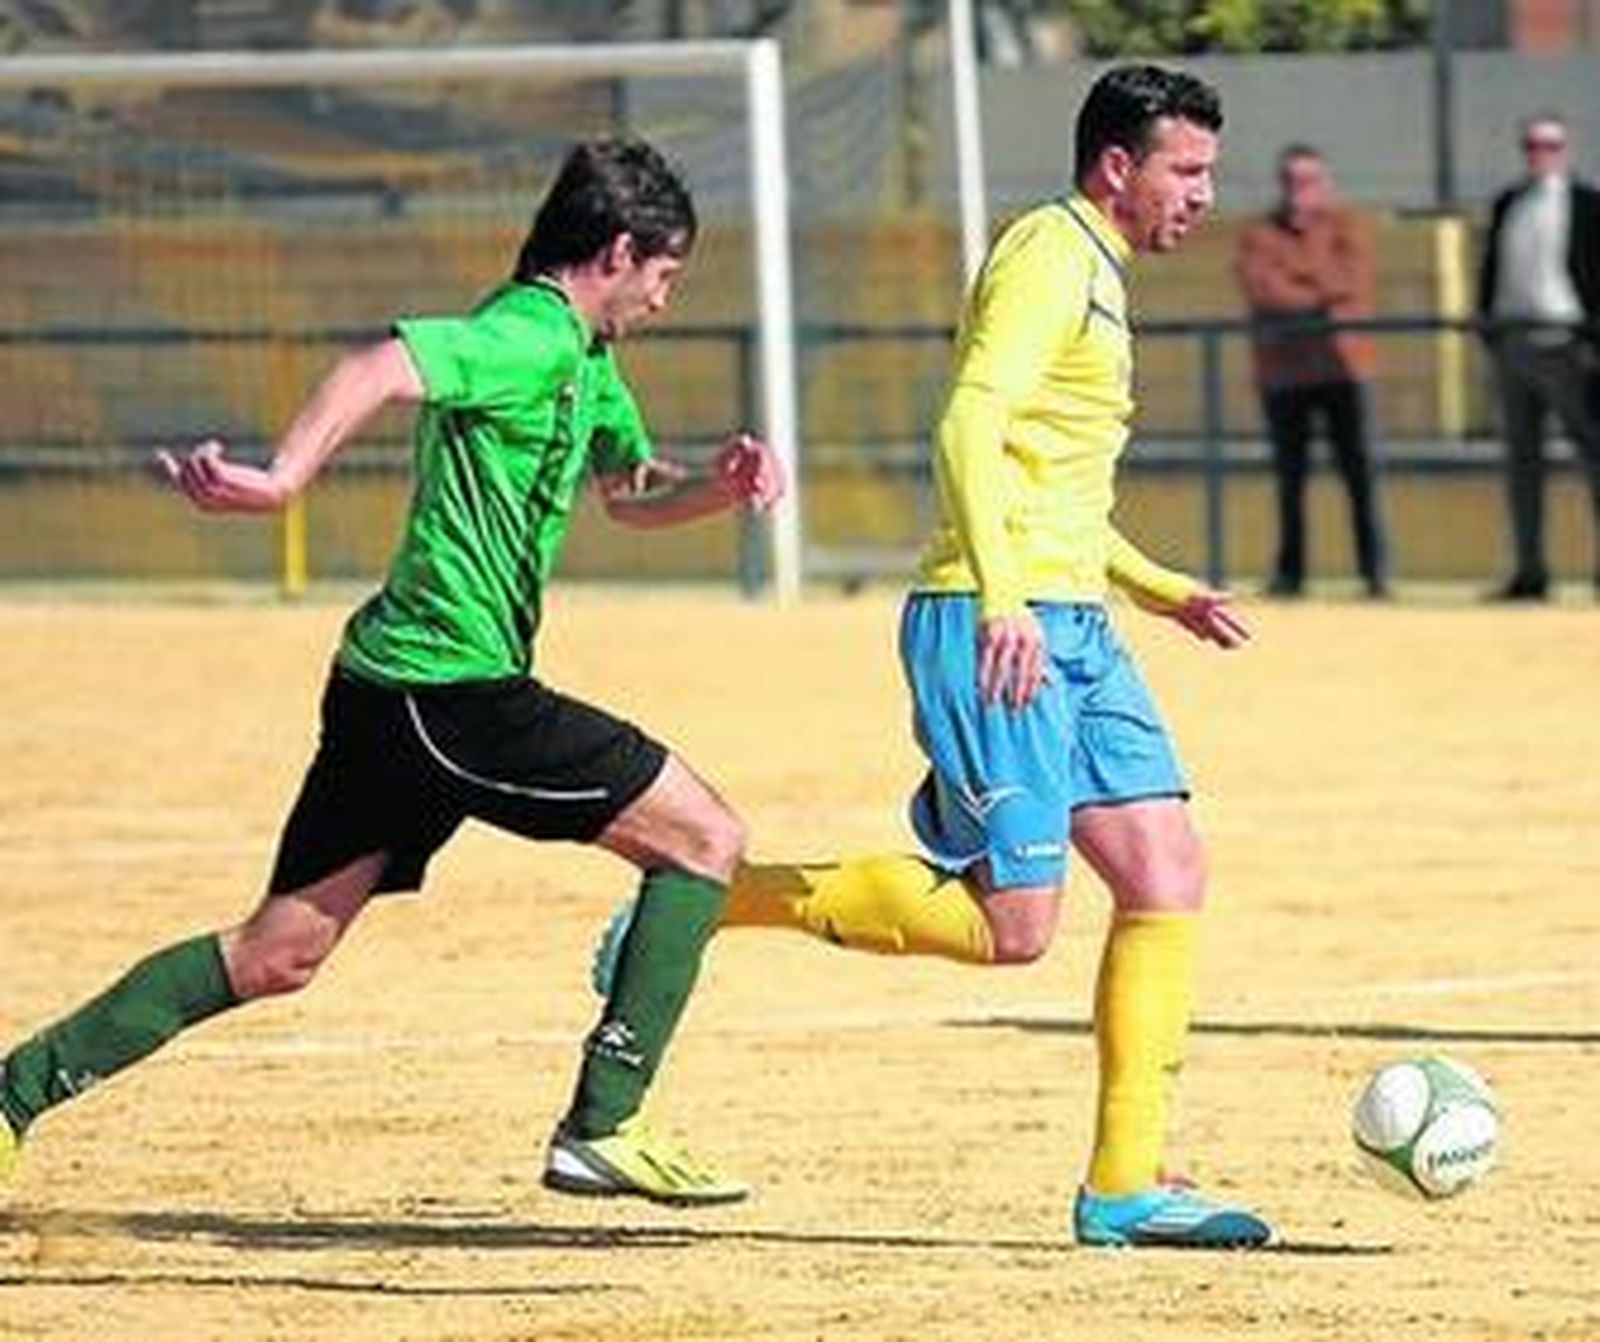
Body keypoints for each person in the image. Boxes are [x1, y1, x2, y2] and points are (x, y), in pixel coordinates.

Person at [0, 138, 784, 1206]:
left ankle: (10, 1096)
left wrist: (720, 486)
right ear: (617, 250)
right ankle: (607, 1121)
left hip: (391, 694)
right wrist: (282, 479)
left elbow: (629, 489)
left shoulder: (588, 363)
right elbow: (382, 365)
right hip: (450, 692)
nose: (661, 299)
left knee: (275, 952)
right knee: (707, 837)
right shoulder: (524, 334)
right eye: (664, 275)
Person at [596, 65, 1273, 1249]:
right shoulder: (1048, 256)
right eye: (1188, 170)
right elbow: (967, 419)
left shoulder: (1098, 276)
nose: (1205, 195)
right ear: (1118, 166)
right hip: (991, 619)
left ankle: (1123, 1186)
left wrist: (1161, 591)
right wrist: (1006, 603)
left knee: (1166, 873)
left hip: (1075, 623)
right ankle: (711, 900)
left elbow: (1049, 485)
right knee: (1015, 928)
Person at [1235, 144, 1388, 599]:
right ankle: (1290, 573)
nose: (1298, 191)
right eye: (1290, 181)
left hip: (1346, 370)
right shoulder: (1260, 233)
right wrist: (1319, 297)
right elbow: (1262, 290)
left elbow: (1353, 283)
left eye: (1308, 181)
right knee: (1289, 479)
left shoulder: (1349, 225)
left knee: (1360, 474)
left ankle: (1375, 573)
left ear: (1325, 184)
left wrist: (1297, 282)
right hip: (1283, 375)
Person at [1476, 111, 1600, 601]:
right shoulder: (1509, 202)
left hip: (1570, 344)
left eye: (1550, 145)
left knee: (1594, 461)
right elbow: (1492, 270)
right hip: (1514, 343)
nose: (1540, 153)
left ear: (1566, 149)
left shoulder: (1589, 204)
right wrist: (1488, 326)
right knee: (1521, 465)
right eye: (1532, 145)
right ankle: (1530, 572)